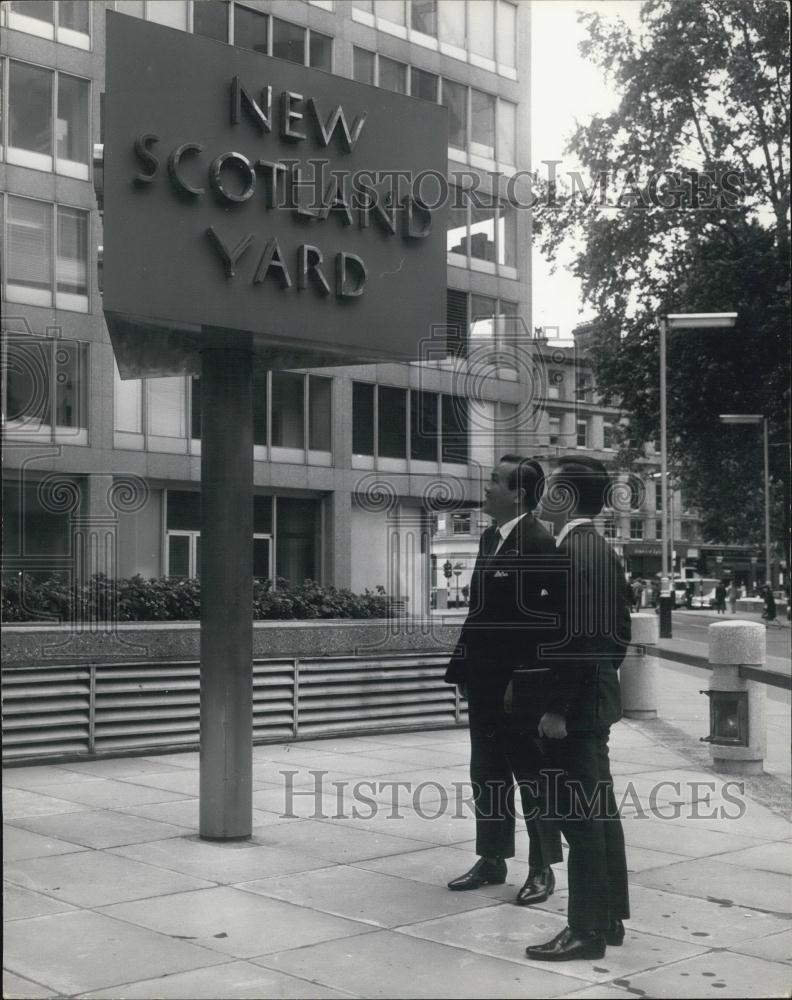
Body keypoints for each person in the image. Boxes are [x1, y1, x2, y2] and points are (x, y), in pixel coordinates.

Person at [524, 456, 631, 963]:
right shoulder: (601, 551)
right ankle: (607, 919)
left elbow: (580, 638)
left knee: (581, 820)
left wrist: (560, 707)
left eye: (551, 487)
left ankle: (586, 929)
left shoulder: (573, 552)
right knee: (600, 815)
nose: (542, 494)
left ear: (565, 498)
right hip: (595, 703)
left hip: (576, 712)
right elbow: (618, 636)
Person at [444, 455, 563, 905]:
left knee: (531, 776)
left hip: (520, 687)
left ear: (518, 493)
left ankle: (542, 867)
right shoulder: (491, 537)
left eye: (495, 481)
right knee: (488, 773)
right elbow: (479, 614)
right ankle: (492, 859)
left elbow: (549, 624)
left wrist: (527, 681)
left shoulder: (538, 543)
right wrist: (462, 670)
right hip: (485, 682)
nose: (487, 487)